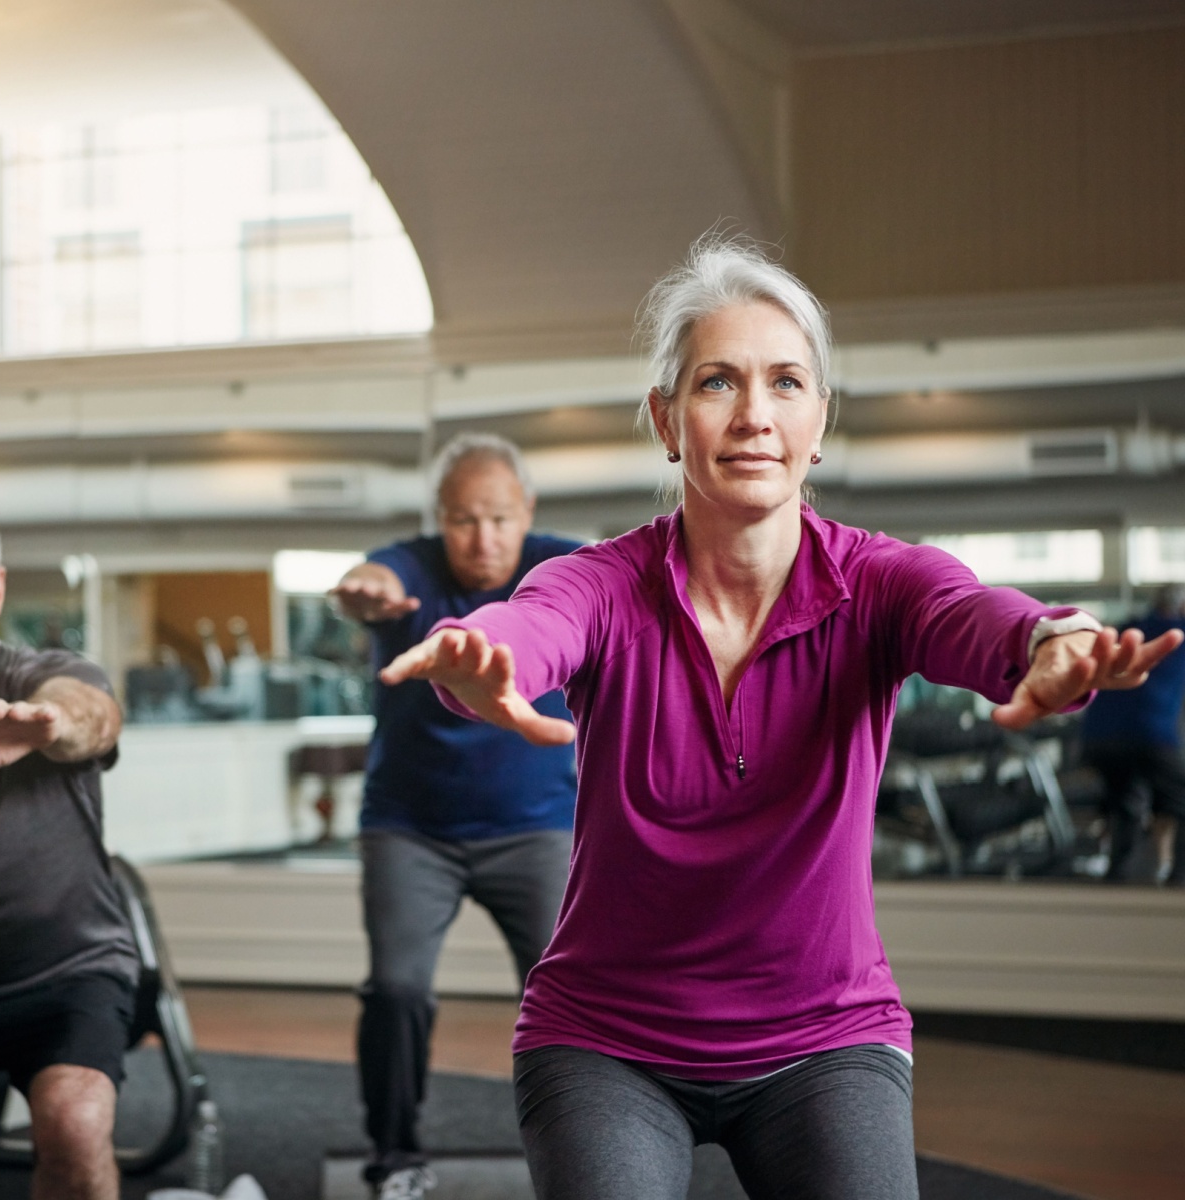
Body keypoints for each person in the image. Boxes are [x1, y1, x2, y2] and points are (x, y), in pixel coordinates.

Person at [378, 238, 1184, 1200]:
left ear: (819, 421)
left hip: (825, 1038)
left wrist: (1052, 641)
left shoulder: (881, 582)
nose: (755, 416)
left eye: (786, 383)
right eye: (718, 382)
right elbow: (534, 624)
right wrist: (486, 658)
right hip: (607, 1040)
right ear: (667, 420)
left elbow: (973, 613)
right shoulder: (599, 582)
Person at [331, 433, 580, 1200]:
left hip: (536, 827)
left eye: (500, 518)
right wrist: (359, 592)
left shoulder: (561, 565)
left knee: (571, 994)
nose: (484, 538)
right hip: (412, 831)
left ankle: (580, 1153)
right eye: (464, 521)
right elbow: (372, 579)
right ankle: (396, 1156)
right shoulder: (409, 567)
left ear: (526, 510)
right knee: (398, 989)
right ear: (441, 519)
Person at [0, 515, 137, 1200]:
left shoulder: (40, 674)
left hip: (63, 968)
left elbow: (90, 711)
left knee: (74, 1126)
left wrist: (50, 724)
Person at [1081, 583, 1185, 883]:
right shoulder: (1178, 632)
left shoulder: (1129, 627)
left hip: (1098, 736)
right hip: (1148, 735)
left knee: (1125, 804)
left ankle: (1119, 878)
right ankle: (1179, 882)